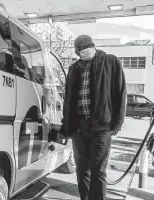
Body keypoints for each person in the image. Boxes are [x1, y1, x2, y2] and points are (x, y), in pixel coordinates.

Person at [61, 35, 127, 200]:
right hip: (78, 127)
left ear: (94, 45)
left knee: (98, 171)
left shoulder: (110, 61)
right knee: (82, 169)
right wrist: (66, 126)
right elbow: (68, 100)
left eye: (88, 46)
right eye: (81, 49)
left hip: (101, 127)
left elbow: (120, 93)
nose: (85, 50)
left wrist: (118, 122)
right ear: (77, 52)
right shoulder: (73, 68)